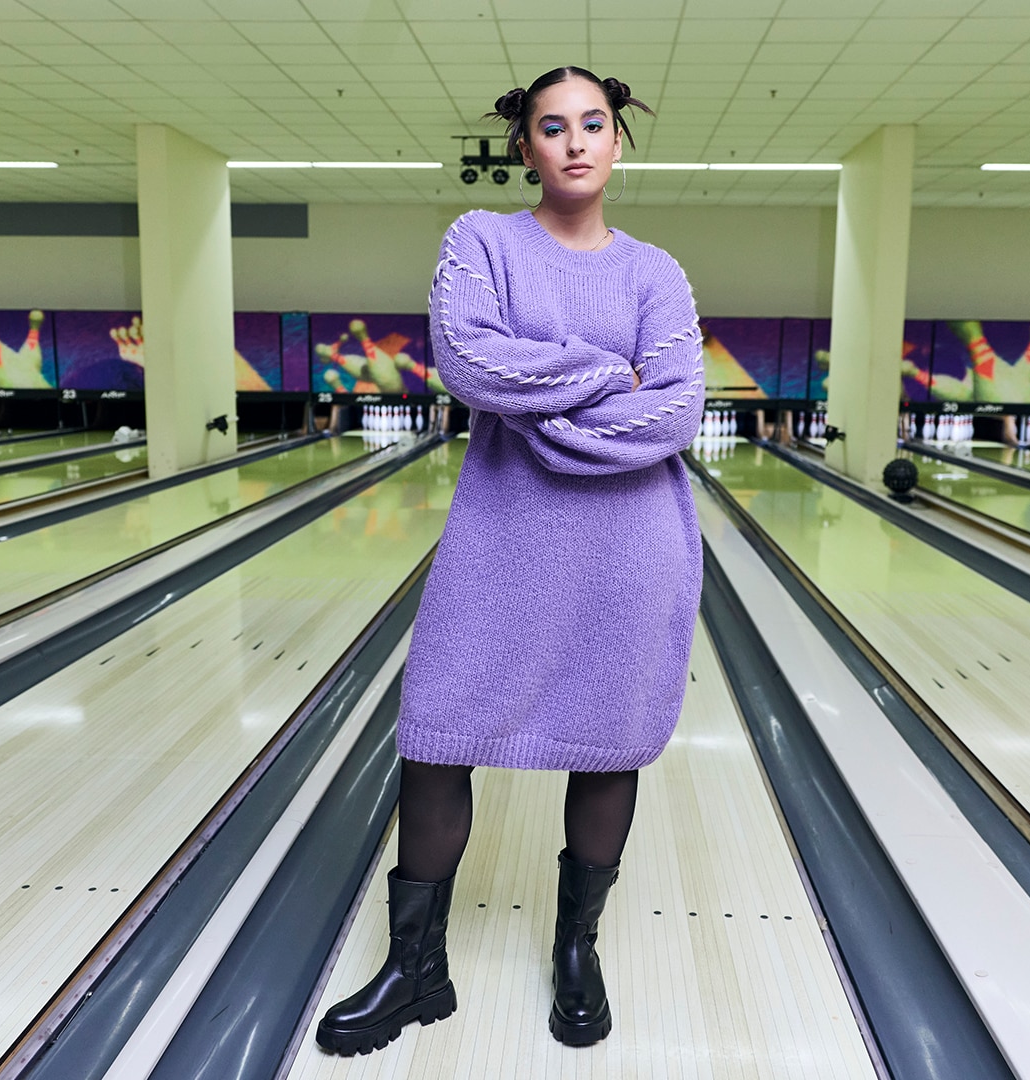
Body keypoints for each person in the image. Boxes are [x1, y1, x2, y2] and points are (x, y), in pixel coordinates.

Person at [316, 66, 705, 1057]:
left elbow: (676, 412)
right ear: (524, 145)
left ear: (619, 142)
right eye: (551, 126)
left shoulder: (657, 273)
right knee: (435, 736)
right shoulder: (479, 242)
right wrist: (597, 376)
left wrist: (545, 413)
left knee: (609, 747)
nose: (575, 140)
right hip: (503, 542)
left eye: (594, 124)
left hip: (630, 550)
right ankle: (417, 968)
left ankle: (578, 949)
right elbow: (468, 359)